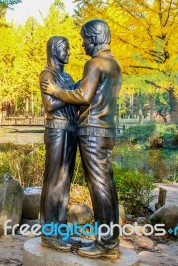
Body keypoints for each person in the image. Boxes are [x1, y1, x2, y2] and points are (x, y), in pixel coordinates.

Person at [42, 19, 122, 259]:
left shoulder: (95, 63)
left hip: (92, 129)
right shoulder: (114, 63)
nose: (82, 44)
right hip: (104, 129)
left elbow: (84, 96)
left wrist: (57, 92)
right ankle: (109, 240)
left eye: (84, 39)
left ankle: (107, 243)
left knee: (99, 186)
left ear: (95, 37)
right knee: (105, 184)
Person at [39, 36, 79, 251]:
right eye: (65, 48)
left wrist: (75, 91)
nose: (69, 52)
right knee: (55, 180)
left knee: (65, 181)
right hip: (57, 130)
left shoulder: (67, 76)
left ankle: (60, 231)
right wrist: (73, 93)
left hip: (71, 130)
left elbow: (74, 100)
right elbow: (50, 105)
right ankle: (50, 235)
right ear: (54, 50)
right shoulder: (48, 74)